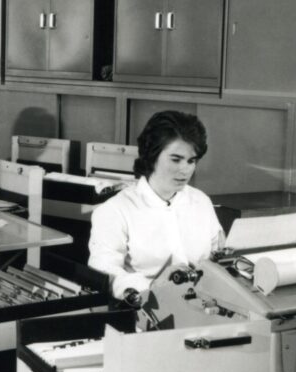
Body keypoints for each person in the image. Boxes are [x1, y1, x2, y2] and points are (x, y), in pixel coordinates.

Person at [88, 111, 223, 304]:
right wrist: (153, 287)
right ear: (152, 156)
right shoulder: (115, 210)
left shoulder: (201, 201)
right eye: (175, 159)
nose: (185, 169)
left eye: (191, 161)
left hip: (204, 307)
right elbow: (104, 272)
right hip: (146, 312)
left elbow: (217, 255)